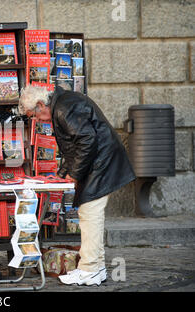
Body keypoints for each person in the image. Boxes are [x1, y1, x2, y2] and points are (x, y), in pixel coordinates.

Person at [18, 85, 136, 286]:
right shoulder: (62, 105)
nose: (37, 120)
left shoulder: (64, 108)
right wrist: (63, 173)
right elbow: (76, 145)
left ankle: (90, 268)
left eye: (34, 116)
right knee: (90, 214)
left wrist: (73, 174)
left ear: (40, 104)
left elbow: (86, 141)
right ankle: (95, 268)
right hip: (99, 162)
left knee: (90, 213)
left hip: (101, 163)